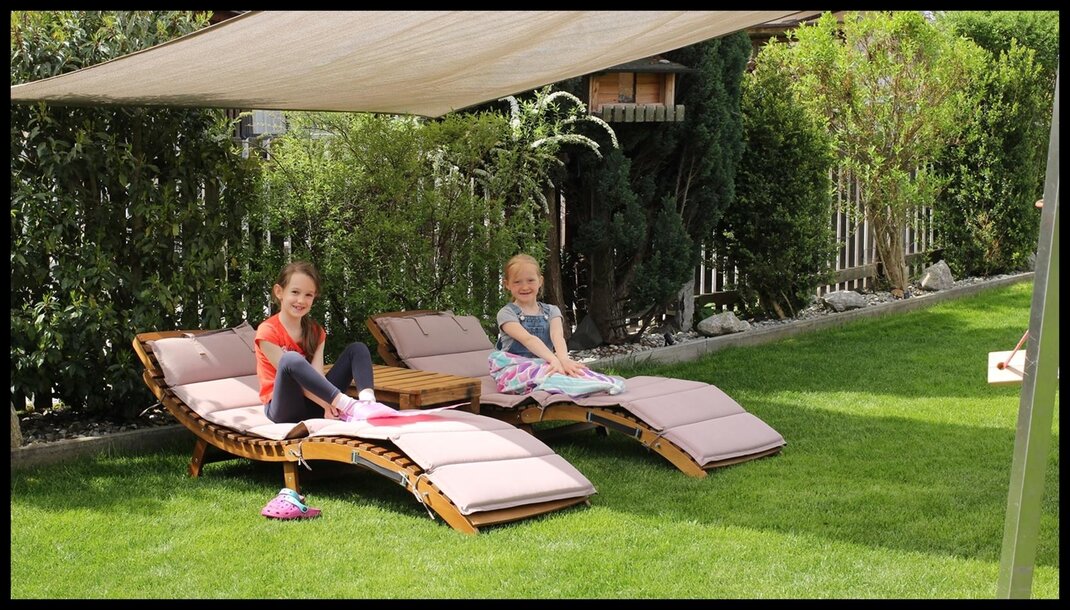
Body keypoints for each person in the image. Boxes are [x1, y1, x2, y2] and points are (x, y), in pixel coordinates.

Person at [254, 261, 396, 423]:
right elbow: (298, 381)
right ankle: (350, 406)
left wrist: (327, 404)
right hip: (284, 409)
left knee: (357, 349)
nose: (301, 300)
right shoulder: (267, 331)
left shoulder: (315, 331)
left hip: (314, 403)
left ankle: (368, 404)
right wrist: (330, 403)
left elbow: (316, 377)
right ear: (279, 292)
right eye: (295, 292)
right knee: (290, 359)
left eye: (308, 295)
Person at [491, 254, 625, 397]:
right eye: (517, 282)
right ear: (507, 284)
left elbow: (557, 336)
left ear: (540, 281)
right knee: (544, 373)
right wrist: (554, 360)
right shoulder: (506, 314)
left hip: (545, 361)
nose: (525, 287)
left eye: (530, 280)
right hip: (515, 367)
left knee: (572, 370)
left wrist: (564, 360)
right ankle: (575, 387)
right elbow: (528, 339)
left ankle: (603, 383)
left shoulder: (552, 311)